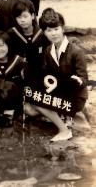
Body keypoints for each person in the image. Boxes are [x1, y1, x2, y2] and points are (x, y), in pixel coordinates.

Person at [24, 9, 88, 142]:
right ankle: (62, 116)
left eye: (56, 29)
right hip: (58, 93)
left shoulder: (76, 52)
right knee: (28, 108)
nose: (53, 33)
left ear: (63, 29)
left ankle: (64, 130)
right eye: (49, 30)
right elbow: (47, 75)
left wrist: (76, 80)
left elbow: (84, 79)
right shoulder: (48, 51)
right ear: (44, 32)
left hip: (74, 95)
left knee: (38, 103)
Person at [7, 0, 46, 79]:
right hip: (18, 72)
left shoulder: (42, 34)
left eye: (25, 16)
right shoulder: (12, 34)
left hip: (39, 71)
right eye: (19, 17)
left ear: (32, 16)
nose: (22, 20)